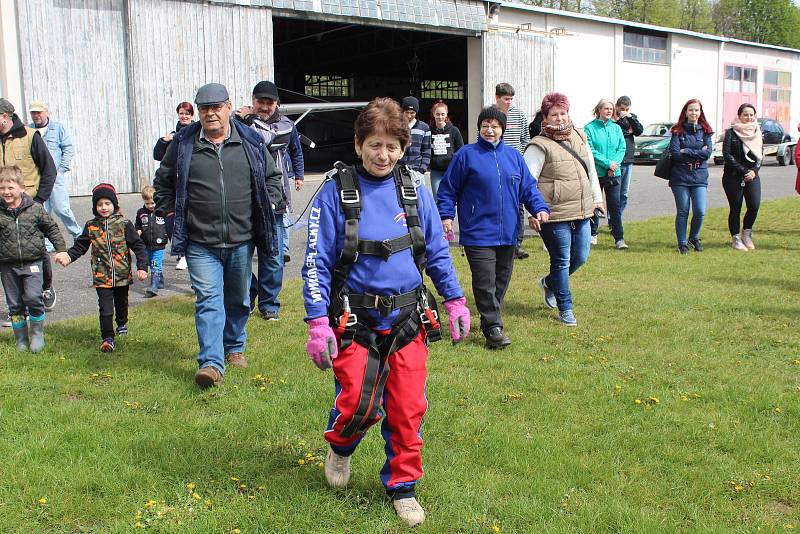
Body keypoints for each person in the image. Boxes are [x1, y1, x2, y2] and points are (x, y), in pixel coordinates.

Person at [301, 98, 470, 527]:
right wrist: (318, 323)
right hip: (354, 320)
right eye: (374, 144)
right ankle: (340, 447)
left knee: (408, 407)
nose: (383, 155)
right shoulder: (336, 191)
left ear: (403, 146)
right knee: (360, 401)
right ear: (359, 144)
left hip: (408, 318)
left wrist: (453, 300)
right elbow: (315, 262)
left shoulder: (414, 189)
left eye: (392, 146)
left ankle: (403, 487)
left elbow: (435, 251)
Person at [154, 83, 282, 387]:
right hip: (200, 242)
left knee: (238, 298)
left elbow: (272, 178)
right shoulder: (183, 143)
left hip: (241, 239)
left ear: (228, 107)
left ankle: (234, 346)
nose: (211, 114)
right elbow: (163, 183)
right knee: (209, 299)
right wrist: (172, 218)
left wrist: (272, 203)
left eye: (216, 107)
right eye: (205, 108)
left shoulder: (250, 140)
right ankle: (211, 363)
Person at [438, 106, 549, 348]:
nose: (490, 130)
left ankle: (491, 315)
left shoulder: (514, 157)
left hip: (508, 232)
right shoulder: (466, 155)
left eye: (495, 126)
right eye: (485, 125)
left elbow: (528, 188)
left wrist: (539, 208)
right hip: (477, 232)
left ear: (502, 129)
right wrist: (446, 216)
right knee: (485, 280)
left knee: (501, 280)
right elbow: (448, 189)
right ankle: (493, 328)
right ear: (479, 128)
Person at [524, 93, 604, 327]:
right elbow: (528, 182)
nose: (560, 118)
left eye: (563, 113)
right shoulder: (538, 145)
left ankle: (549, 283)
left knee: (580, 257)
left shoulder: (579, 135)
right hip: (553, 213)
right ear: (545, 117)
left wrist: (597, 198)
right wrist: (532, 212)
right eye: (554, 114)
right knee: (561, 260)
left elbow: (590, 168)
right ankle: (565, 308)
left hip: (581, 209)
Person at [237, 80, 304, 321]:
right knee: (240, 258)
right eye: (260, 102)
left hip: (275, 198)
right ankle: (249, 293)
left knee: (273, 257)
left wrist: (246, 121)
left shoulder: (285, 126)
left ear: (277, 104)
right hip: (245, 200)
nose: (264, 107)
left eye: (269, 102)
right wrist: (242, 121)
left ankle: (269, 305)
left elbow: (265, 141)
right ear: (253, 100)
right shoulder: (237, 123)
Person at [54, 183, 148, 352]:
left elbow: (138, 246)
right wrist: (68, 256)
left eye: (107, 203)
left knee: (121, 303)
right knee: (105, 308)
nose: (103, 208)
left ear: (114, 205)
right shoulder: (91, 226)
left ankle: (121, 324)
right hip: (101, 276)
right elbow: (80, 247)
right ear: (95, 207)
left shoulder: (124, 224)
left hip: (121, 275)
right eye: (99, 204)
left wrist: (142, 267)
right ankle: (107, 338)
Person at [0, 98, 58, 314]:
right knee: (6, 252)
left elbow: (49, 169)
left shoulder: (30, 137)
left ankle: (45, 287)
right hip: (2, 207)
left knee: (37, 249)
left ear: (5, 117)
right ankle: (16, 305)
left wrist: (39, 200)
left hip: (29, 203)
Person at [0, 166, 66, 352]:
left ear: (22, 187)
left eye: (10, 187)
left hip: (32, 262)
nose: (6, 192)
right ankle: (21, 339)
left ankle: (37, 334)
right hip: (7, 265)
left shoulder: (35, 209)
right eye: (2, 188)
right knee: (14, 304)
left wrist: (61, 249)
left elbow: (51, 228)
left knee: (33, 297)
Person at [28, 101, 83, 245]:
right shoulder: (28, 130)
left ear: (46, 112)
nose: (36, 115)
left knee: (61, 209)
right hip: (36, 178)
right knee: (42, 211)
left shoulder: (58, 128)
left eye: (39, 112)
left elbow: (68, 148)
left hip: (54, 177)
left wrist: (61, 170)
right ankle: (48, 243)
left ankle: (78, 234)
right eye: (33, 113)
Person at [668, 99, 713, 254]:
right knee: (683, 211)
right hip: (680, 177)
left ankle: (694, 237)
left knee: (700, 210)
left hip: (699, 176)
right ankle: (682, 243)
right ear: (685, 112)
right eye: (691, 110)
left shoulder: (706, 131)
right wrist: (696, 153)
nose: (694, 113)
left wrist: (686, 151)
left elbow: (707, 154)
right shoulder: (677, 131)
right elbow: (675, 153)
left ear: (700, 112)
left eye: (696, 110)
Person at [153, 102, 194, 271]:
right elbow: (158, 156)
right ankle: (181, 254)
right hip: (174, 184)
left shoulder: (195, 133)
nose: (184, 116)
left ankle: (190, 254)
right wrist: (164, 141)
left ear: (192, 115)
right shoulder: (173, 136)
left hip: (190, 183)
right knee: (174, 221)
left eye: (187, 114)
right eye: (181, 113)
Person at [494, 82, 531, 259]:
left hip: (515, 169)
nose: (509, 102)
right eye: (505, 99)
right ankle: (500, 241)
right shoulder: (490, 115)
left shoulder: (519, 115)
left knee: (519, 206)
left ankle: (517, 243)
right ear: (497, 98)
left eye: (511, 99)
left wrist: (520, 158)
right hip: (495, 169)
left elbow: (526, 140)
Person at [585, 99, 626, 249]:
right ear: (599, 110)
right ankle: (592, 234)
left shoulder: (616, 128)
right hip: (596, 172)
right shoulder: (589, 128)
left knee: (614, 206)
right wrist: (607, 163)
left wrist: (614, 165)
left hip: (614, 173)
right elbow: (590, 150)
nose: (609, 111)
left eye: (611, 109)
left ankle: (619, 238)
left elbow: (622, 148)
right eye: (606, 108)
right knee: (595, 204)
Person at [722, 103, 763, 251]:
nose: (749, 117)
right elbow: (727, 155)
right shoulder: (731, 133)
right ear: (739, 115)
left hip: (753, 175)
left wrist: (753, 171)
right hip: (733, 176)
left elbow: (760, 156)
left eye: (751, 114)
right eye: (745, 114)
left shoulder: (758, 132)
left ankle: (747, 233)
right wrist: (744, 171)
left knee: (754, 205)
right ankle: (736, 239)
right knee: (736, 207)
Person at [136, 185, 169, 295]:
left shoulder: (162, 211)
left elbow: (168, 225)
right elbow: (138, 226)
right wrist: (137, 234)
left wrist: (168, 236)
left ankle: (153, 286)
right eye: (147, 203)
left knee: (155, 264)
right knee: (151, 263)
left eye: (153, 203)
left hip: (158, 245)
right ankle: (160, 280)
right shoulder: (141, 213)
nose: (150, 206)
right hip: (145, 244)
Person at [614, 96, 643, 218]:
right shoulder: (611, 117)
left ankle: (618, 218)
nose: (624, 111)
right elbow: (617, 132)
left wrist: (630, 118)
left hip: (628, 159)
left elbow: (639, 131)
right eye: (622, 109)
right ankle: (613, 219)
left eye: (627, 109)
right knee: (614, 192)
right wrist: (627, 130)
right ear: (617, 107)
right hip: (615, 160)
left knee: (624, 193)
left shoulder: (631, 117)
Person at [428, 100, 464, 198]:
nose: (440, 117)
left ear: (446, 115)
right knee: (437, 198)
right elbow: (426, 148)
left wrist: (456, 164)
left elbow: (461, 149)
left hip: (451, 170)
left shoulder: (454, 130)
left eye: (442, 114)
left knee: (451, 197)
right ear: (433, 114)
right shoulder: (429, 131)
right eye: (438, 114)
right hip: (436, 171)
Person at [397, 96, 431, 176]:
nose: (409, 116)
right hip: (398, 170)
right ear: (402, 112)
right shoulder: (396, 126)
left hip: (417, 171)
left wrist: (421, 169)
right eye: (407, 112)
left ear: (416, 112)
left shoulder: (424, 128)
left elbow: (427, 151)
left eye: (412, 113)